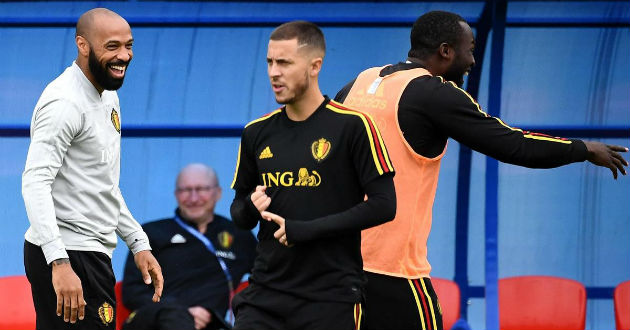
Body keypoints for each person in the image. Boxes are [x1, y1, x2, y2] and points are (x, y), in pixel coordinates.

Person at [334, 10, 628, 330]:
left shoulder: (360, 83)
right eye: (470, 49)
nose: (473, 60)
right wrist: (583, 149)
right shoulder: (433, 93)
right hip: (395, 274)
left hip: (340, 266)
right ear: (446, 51)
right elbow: (512, 144)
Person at [229, 20, 397, 330]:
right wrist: (251, 207)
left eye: (284, 62)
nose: (273, 72)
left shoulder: (353, 126)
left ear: (314, 66)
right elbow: (239, 213)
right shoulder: (256, 132)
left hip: (331, 295)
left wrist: (306, 230)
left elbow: (384, 204)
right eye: (269, 62)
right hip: (266, 292)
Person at [21, 8, 164, 330]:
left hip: (91, 253)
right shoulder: (64, 103)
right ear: (82, 45)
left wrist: (137, 242)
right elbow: (34, 182)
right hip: (70, 254)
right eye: (112, 46)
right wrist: (59, 262)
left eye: (129, 45)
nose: (124, 55)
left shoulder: (108, 93)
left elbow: (101, 183)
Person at [121, 163, 257, 330]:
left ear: (218, 193)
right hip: (156, 321)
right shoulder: (150, 233)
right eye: (186, 190)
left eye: (201, 189)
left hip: (209, 324)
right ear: (176, 194)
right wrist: (181, 312)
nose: (193, 198)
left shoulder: (238, 236)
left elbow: (265, 278)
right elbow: (131, 292)